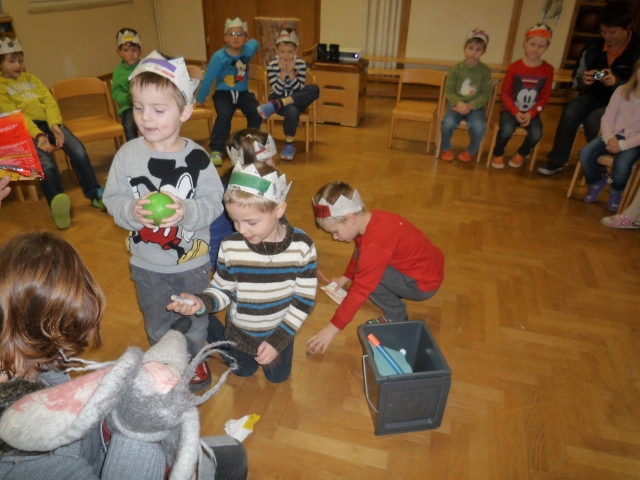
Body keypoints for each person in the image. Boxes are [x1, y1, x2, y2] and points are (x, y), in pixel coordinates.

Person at [102, 51, 224, 392]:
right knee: (156, 319)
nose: (145, 118)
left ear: (185, 111)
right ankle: (163, 361)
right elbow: (112, 199)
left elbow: (215, 202)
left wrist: (185, 211)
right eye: (139, 107)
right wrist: (131, 211)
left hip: (191, 262)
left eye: (158, 110)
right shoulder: (127, 155)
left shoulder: (198, 158)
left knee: (194, 318)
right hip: (147, 263)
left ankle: (193, 358)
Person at [167, 163, 318, 383]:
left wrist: (279, 340)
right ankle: (210, 325)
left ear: (279, 210)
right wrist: (202, 303)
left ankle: (212, 325)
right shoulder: (230, 246)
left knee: (279, 378)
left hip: (281, 329)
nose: (241, 229)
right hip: (242, 331)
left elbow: (303, 300)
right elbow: (223, 289)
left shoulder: (302, 247)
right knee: (243, 371)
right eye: (234, 220)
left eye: (251, 222)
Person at [306, 182, 445, 355]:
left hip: (422, 284)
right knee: (366, 268)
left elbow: (360, 289)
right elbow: (360, 252)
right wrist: (345, 278)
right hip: (425, 269)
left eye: (335, 231)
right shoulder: (372, 220)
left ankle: (396, 314)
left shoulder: (376, 244)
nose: (335, 238)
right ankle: (393, 293)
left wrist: (331, 329)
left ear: (350, 218)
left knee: (366, 277)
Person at [0, 38, 106, 229]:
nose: (18, 65)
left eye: (20, 60)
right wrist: (39, 135)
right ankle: (58, 206)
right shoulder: (0, 87)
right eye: (12, 61)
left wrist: (55, 125)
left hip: (48, 124)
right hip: (25, 131)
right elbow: (18, 117)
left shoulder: (32, 79)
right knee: (46, 164)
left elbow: (49, 102)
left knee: (78, 149)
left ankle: (94, 193)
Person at [538, 0, 640, 176]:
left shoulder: (637, 50)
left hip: (626, 104)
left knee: (595, 119)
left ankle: (599, 166)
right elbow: (576, 80)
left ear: (627, 27)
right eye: (603, 31)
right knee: (572, 108)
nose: (607, 36)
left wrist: (617, 83)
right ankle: (557, 159)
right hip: (594, 96)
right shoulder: (593, 48)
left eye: (613, 32)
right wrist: (583, 81)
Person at [196, 17, 263, 166]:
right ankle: (216, 150)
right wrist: (200, 98)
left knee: (256, 111)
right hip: (223, 93)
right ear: (225, 37)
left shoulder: (247, 51)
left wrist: (250, 42)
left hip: (243, 93)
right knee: (224, 115)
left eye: (240, 34)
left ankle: (250, 144)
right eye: (231, 34)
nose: (236, 37)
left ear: (245, 38)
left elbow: (255, 43)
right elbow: (208, 78)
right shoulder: (219, 57)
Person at [208, 128, 278, 270]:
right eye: (266, 160)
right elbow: (216, 236)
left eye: (271, 157)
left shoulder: (271, 181)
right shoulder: (224, 193)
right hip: (237, 260)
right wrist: (220, 268)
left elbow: (278, 218)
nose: (273, 163)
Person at [578, 59, 640, 211]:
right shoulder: (622, 91)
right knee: (585, 153)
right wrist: (609, 138)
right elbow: (608, 117)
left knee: (622, 164)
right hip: (612, 136)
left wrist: (622, 145)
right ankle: (596, 182)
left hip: (634, 141)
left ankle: (616, 192)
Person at [490, 24, 554, 169]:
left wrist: (532, 112)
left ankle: (522, 153)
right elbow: (505, 94)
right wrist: (515, 111)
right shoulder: (514, 67)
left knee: (537, 133)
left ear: (546, 48)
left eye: (541, 46)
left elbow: (544, 98)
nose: (535, 49)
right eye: (532, 44)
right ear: (524, 44)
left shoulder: (548, 70)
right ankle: (498, 153)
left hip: (532, 112)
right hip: (511, 109)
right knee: (506, 130)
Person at [256, 29, 320, 161]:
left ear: (296, 51)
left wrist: (291, 73)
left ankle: (278, 105)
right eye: (282, 52)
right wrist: (282, 73)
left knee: (314, 89)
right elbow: (277, 90)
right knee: (292, 111)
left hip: (296, 98)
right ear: (276, 50)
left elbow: (299, 89)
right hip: (277, 97)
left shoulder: (301, 64)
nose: (286, 56)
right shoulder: (272, 65)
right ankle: (289, 144)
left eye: (290, 52)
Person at [439, 29, 492, 163]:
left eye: (478, 49)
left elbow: (486, 93)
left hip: (475, 107)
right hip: (456, 105)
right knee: (447, 123)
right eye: (471, 48)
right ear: (464, 49)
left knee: (479, 127)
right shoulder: (456, 69)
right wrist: (458, 103)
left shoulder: (485, 71)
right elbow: (449, 91)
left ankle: (471, 150)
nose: (473, 52)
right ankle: (445, 147)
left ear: (483, 52)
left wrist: (471, 105)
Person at [112, 28, 142, 142]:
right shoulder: (118, 72)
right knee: (128, 123)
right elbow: (116, 93)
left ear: (140, 51)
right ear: (119, 52)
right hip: (129, 107)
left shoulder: (145, 65)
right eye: (126, 50)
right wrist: (129, 98)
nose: (131, 54)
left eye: (134, 50)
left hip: (147, 105)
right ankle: (133, 149)